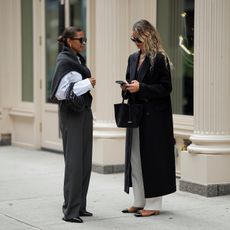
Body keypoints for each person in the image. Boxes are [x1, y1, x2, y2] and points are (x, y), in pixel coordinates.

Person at [121, 19, 176, 217]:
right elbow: (132, 81)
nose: (135, 42)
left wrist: (141, 88)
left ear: (147, 36)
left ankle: (153, 204)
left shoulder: (159, 58)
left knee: (153, 158)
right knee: (135, 157)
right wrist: (127, 88)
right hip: (136, 115)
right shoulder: (132, 58)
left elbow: (166, 88)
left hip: (155, 118)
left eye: (137, 39)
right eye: (133, 39)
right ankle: (139, 199)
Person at [50, 27, 96, 223]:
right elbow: (61, 93)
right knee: (74, 163)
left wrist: (86, 83)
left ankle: (80, 206)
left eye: (85, 40)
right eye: (80, 40)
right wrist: (87, 83)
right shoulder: (64, 61)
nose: (83, 43)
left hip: (83, 112)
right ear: (69, 41)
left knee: (85, 161)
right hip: (71, 115)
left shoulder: (77, 60)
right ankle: (70, 211)